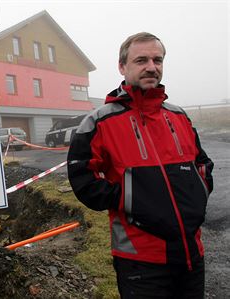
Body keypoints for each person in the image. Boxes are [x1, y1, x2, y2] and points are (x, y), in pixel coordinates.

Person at [67, 32, 214, 298]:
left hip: (192, 252)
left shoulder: (178, 116)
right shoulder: (98, 121)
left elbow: (202, 164)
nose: (151, 67)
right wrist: (128, 198)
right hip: (139, 260)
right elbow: (82, 177)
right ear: (122, 67)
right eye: (141, 60)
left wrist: (197, 195)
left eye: (157, 60)